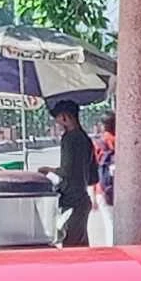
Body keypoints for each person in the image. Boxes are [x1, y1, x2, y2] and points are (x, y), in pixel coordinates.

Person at [48, 92, 101, 248]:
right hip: (83, 201)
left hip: (71, 201)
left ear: (65, 117)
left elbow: (66, 171)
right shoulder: (86, 139)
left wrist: (49, 171)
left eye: (57, 119)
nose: (57, 123)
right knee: (81, 247)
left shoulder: (69, 138)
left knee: (70, 248)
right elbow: (93, 178)